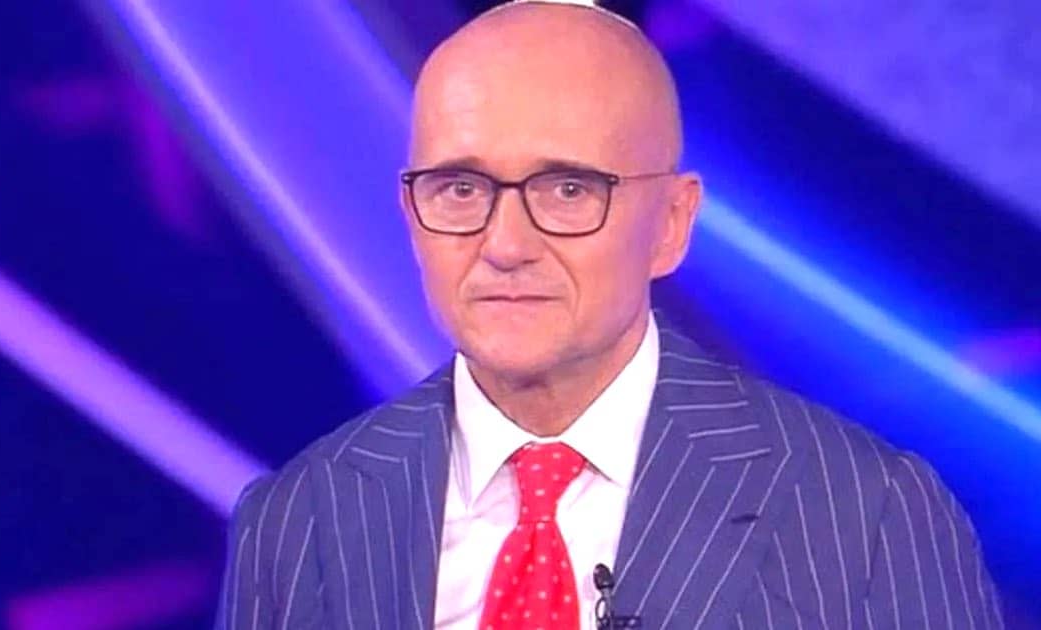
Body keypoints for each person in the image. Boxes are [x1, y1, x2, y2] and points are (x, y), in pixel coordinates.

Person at [215, 1, 1003, 628]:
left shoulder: (866, 512)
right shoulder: (298, 519)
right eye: (460, 189)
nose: (505, 244)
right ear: (410, 213)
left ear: (670, 224)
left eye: (567, 190)